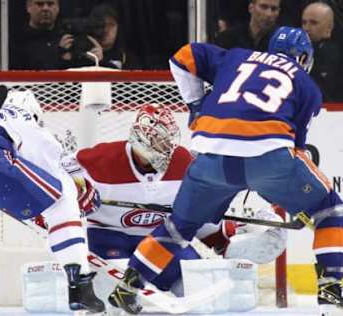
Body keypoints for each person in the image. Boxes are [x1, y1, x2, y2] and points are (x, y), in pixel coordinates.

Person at [109, 26, 343, 315]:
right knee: (330, 210)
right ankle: (330, 283)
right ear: (304, 57)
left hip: (210, 157)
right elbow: (295, 150)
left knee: (178, 227)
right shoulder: (307, 85)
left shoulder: (237, 57)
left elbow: (182, 57)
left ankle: (128, 286)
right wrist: (279, 193)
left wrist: (195, 105)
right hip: (267, 157)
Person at [60, 105, 287, 311]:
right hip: (106, 237)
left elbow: (192, 216)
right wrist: (76, 190)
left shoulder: (183, 162)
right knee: (107, 296)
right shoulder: (103, 158)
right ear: (141, 138)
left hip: (161, 241)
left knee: (199, 287)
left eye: (169, 139)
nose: (167, 146)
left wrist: (224, 239)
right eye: (160, 140)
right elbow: (58, 172)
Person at [0, 88, 105, 313]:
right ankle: (80, 285)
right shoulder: (18, 115)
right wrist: (78, 189)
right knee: (62, 198)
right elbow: (52, 164)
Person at [9, 0, 104, 70]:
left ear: (58, 8)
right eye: (40, 4)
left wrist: (98, 60)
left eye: (50, 4)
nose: (45, 8)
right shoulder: (18, 40)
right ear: (28, 7)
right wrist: (58, 55)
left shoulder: (69, 36)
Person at [302, 1, 343, 102]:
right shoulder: (299, 52)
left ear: (329, 28)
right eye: (304, 23)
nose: (306, 28)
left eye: (313, 23)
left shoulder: (333, 56)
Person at [87, 3, 142, 69]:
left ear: (118, 27)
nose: (106, 30)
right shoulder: (86, 55)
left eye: (111, 25)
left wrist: (101, 62)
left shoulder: (126, 58)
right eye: (101, 25)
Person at [214, 0, 280, 51]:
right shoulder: (228, 38)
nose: (269, 14)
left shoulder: (282, 42)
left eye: (274, 9)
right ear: (251, 8)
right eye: (263, 7)